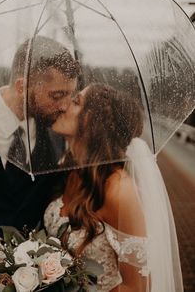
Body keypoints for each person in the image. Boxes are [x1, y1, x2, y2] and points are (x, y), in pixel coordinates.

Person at [0, 35, 80, 291]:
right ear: (22, 85)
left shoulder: (57, 138)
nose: (65, 106)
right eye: (58, 95)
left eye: (71, 94)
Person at [44, 83, 184, 292]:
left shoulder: (119, 191)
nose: (63, 105)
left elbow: (136, 287)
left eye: (76, 102)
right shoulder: (69, 170)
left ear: (92, 120)